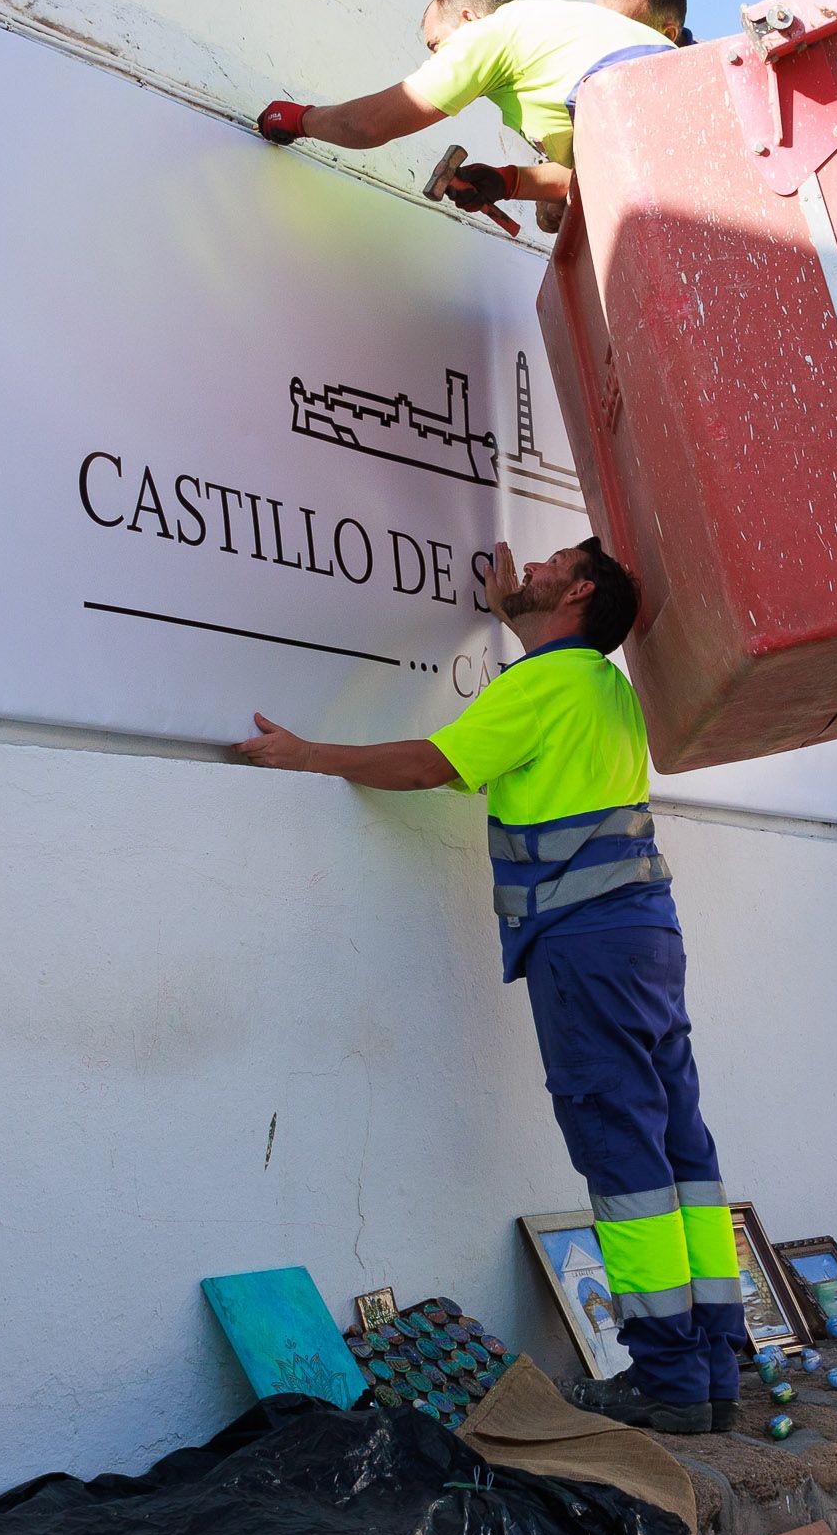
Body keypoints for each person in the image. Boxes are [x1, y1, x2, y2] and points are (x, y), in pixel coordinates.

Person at [229, 534, 748, 1435]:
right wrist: (521, 621)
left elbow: (435, 764)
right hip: (645, 938)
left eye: (548, 565)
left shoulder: (545, 686)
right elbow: (542, 702)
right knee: (677, 1145)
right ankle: (710, 1367)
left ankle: (665, 1377)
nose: (526, 570)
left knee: (622, 1149)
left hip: (585, 945)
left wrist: (313, 755)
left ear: (578, 591)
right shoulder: (598, 685)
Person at [253, 0, 687, 231]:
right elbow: (617, 163)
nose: (439, 59)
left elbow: (368, 124)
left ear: (468, 17)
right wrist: (508, 181)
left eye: (436, 44)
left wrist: (297, 119)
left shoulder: (492, 32)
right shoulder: (562, 36)